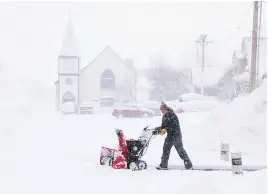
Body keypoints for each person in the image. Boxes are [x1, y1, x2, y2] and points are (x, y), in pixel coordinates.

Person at [154, 101, 193, 170]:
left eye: (163, 110)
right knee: (166, 149)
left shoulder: (172, 115)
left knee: (180, 151)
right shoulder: (164, 116)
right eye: (161, 111)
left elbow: (174, 126)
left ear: (166, 109)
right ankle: (163, 165)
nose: (162, 112)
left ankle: (189, 165)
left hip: (176, 135)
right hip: (170, 136)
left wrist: (166, 129)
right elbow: (163, 127)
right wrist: (157, 130)